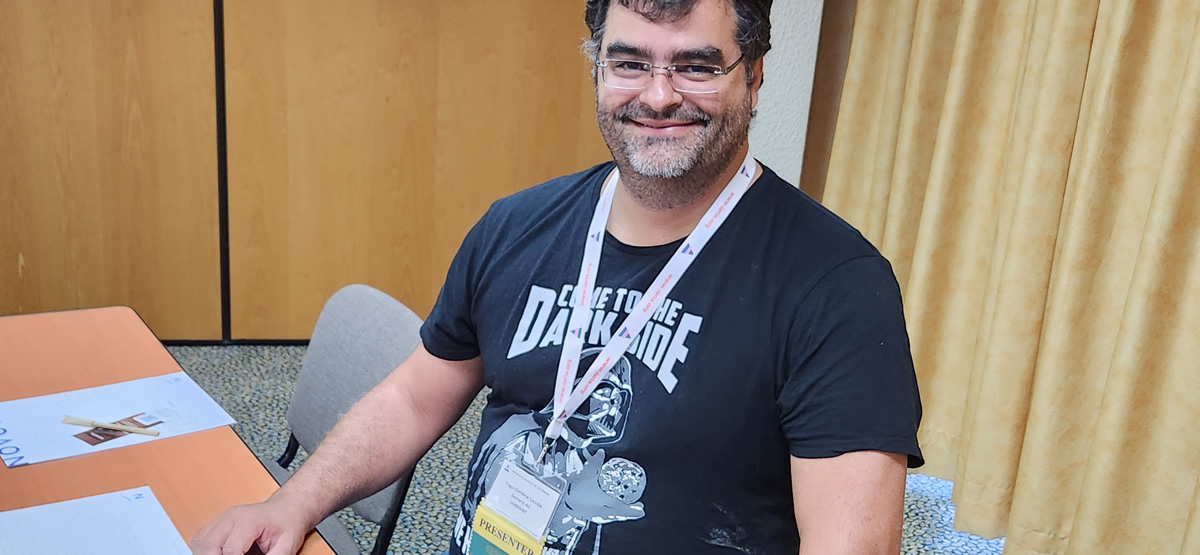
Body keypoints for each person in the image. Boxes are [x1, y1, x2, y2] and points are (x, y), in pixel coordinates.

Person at [191, 0, 923, 553]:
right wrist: (294, 502)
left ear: (754, 77)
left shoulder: (837, 287)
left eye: (696, 66)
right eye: (629, 62)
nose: (658, 95)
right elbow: (413, 398)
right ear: (597, 67)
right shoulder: (515, 228)